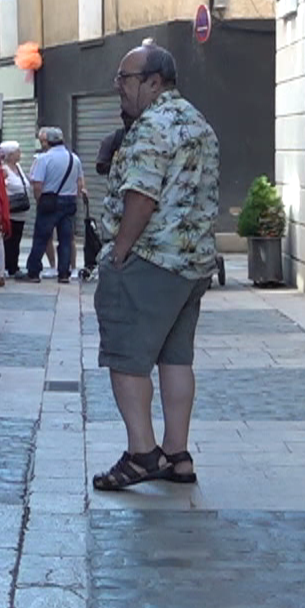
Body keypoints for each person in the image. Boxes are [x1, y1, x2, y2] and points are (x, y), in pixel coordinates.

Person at [91, 41, 221, 490]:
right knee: (176, 358)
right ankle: (177, 454)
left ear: (153, 81)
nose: (118, 88)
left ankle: (142, 454)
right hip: (192, 266)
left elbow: (141, 197)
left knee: (127, 359)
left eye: (125, 79)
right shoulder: (198, 122)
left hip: (149, 260)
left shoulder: (151, 126)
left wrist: (120, 254)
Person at [21, 126, 85, 283]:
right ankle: (64, 273)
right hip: (69, 201)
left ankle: (34, 272)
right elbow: (80, 182)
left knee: (41, 237)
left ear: (47, 142)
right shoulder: (74, 158)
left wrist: (39, 200)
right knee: (65, 238)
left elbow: (37, 184)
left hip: (49, 201)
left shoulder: (44, 159)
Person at [0, 141, 31, 276]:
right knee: (8, 239)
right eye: (17, 151)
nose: (20, 154)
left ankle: (14, 265)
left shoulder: (18, 167)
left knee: (17, 240)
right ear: (10, 154)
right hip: (11, 210)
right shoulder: (3, 169)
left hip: (21, 211)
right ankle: (7, 265)